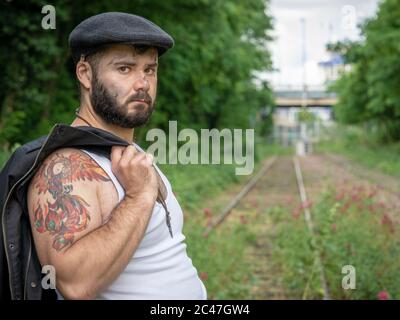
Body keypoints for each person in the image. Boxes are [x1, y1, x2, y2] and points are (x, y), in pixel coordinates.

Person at [26, 12, 207, 300]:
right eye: (125, 69)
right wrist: (138, 198)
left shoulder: (130, 155)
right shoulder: (66, 165)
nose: (142, 84)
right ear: (85, 74)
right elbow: (75, 285)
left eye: (149, 70)